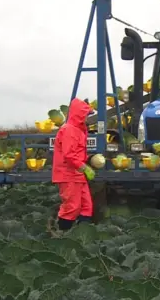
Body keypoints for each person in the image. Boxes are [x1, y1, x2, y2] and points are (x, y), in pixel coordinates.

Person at [52, 98, 97, 231]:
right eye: (86, 115)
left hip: (77, 174)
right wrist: (84, 167)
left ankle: (83, 233)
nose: (88, 118)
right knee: (72, 206)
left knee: (86, 205)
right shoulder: (69, 130)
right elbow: (69, 154)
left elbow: (77, 153)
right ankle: (62, 233)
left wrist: (88, 160)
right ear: (79, 114)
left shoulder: (78, 130)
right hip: (68, 174)